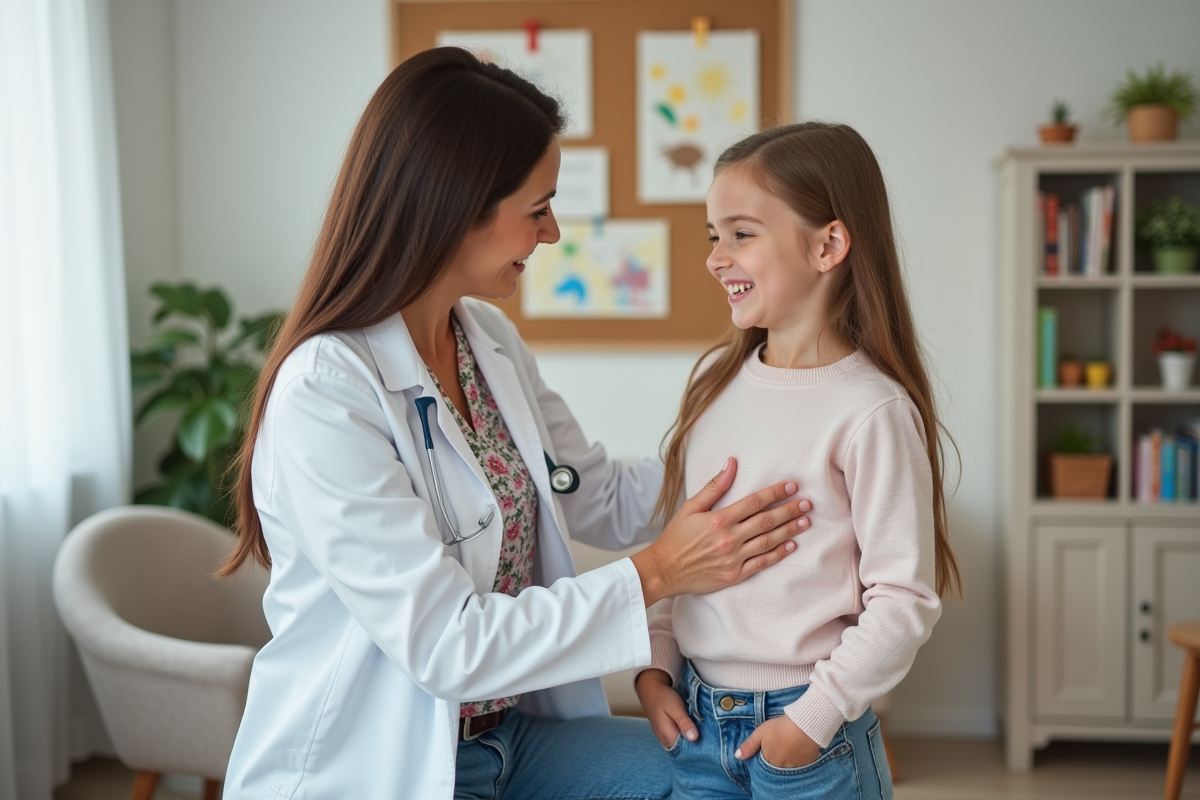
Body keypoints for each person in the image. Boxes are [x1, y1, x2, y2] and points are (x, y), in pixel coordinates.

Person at [218, 48, 816, 800]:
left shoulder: (488, 344)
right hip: (382, 762)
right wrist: (660, 570)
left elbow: (598, 495)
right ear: (453, 206)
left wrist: (763, 441)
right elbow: (447, 646)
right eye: (537, 209)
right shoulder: (324, 392)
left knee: (718, 781)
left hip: (511, 738)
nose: (554, 232)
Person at [634, 122, 964, 800]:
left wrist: (808, 723)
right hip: (698, 728)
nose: (716, 257)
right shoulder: (715, 393)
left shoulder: (871, 410)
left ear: (828, 245)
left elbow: (903, 602)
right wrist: (655, 671)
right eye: (712, 235)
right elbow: (685, 555)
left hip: (809, 738)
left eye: (741, 233)